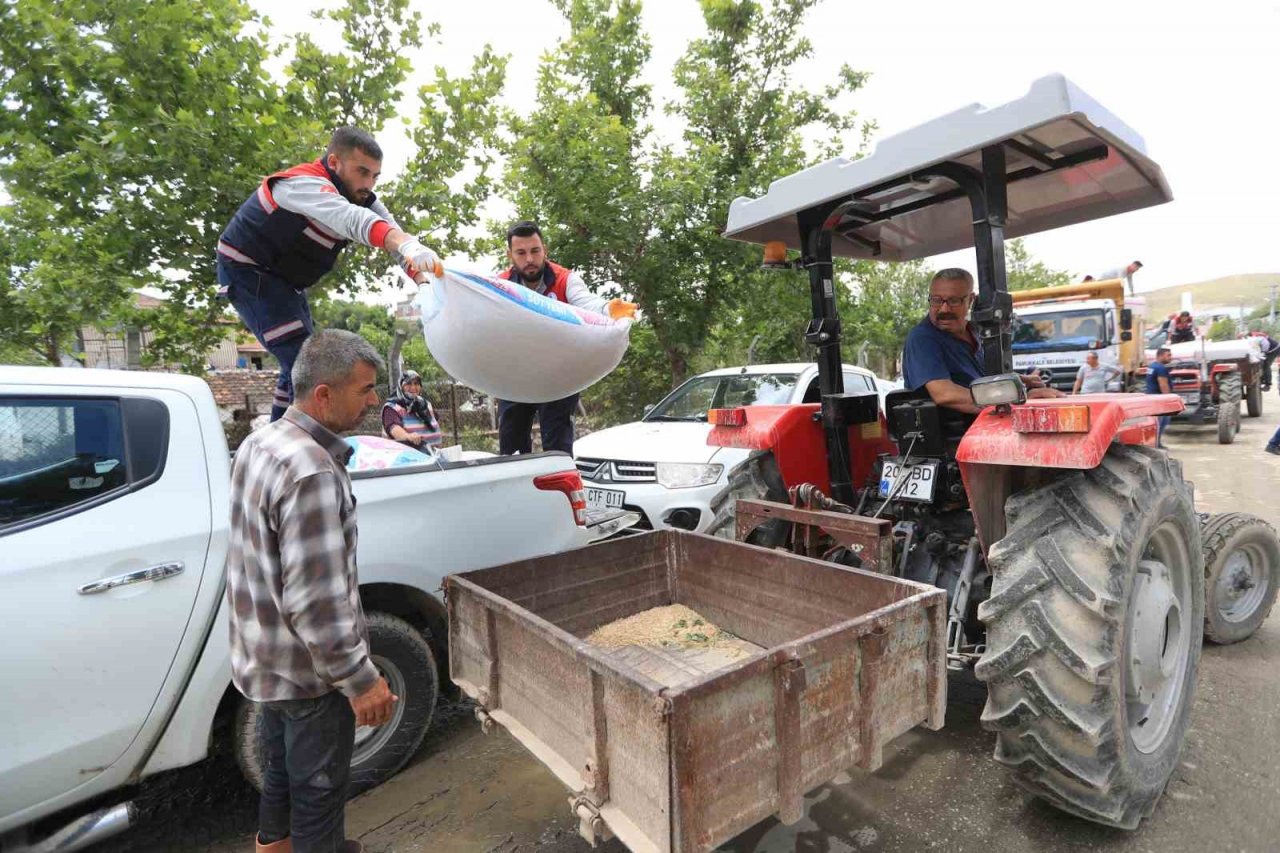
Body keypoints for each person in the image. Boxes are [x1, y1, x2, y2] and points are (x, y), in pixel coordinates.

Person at [226, 329, 397, 853]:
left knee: (280, 775)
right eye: (365, 390)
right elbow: (316, 602)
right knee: (320, 794)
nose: (374, 402)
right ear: (323, 394)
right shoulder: (312, 471)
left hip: (263, 658)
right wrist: (361, 681)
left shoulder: (261, 442)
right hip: (309, 674)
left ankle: (273, 848)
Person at [217, 127, 446, 422]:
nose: (368, 184)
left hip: (287, 283)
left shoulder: (362, 197)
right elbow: (355, 220)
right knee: (305, 365)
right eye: (361, 172)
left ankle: (281, 435)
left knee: (301, 364)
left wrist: (424, 282)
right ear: (335, 162)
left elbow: (397, 239)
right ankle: (287, 443)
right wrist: (406, 243)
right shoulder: (301, 184)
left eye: (375, 176)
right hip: (248, 271)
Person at [495, 220, 637, 455]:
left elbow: (586, 303)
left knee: (557, 448)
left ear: (545, 250)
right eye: (521, 253)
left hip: (558, 376)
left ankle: (561, 490)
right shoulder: (499, 284)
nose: (529, 259)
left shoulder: (565, 279)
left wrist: (608, 308)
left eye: (535, 251)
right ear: (510, 254)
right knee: (510, 448)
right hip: (516, 377)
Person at [901, 268, 1063, 414]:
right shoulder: (923, 338)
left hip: (984, 426)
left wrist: (1018, 379)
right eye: (936, 300)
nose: (944, 309)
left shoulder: (976, 332)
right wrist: (1017, 399)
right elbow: (945, 394)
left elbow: (980, 379)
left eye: (953, 301)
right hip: (955, 435)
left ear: (971, 300)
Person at [382, 370, 442, 450]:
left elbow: (434, 422)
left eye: (416, 384)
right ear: (401, 386)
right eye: (409, 383)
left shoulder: (425, 404)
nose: (413, 387)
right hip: (405, 459)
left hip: (432, 457)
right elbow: (393, 428)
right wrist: (408, 436)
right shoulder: (392, 407)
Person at [1146, 346, 1175, 448]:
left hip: (1151, 398)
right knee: (1161, 422)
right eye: (1168, 355)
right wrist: (1168, 400)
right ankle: (1156, 444)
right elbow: (1163, 385)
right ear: (1161, 355)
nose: (1170, 357)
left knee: (1157, 423)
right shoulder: (1161, 368)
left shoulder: (1152, 366)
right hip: (1159, 400)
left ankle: (1156, 443)